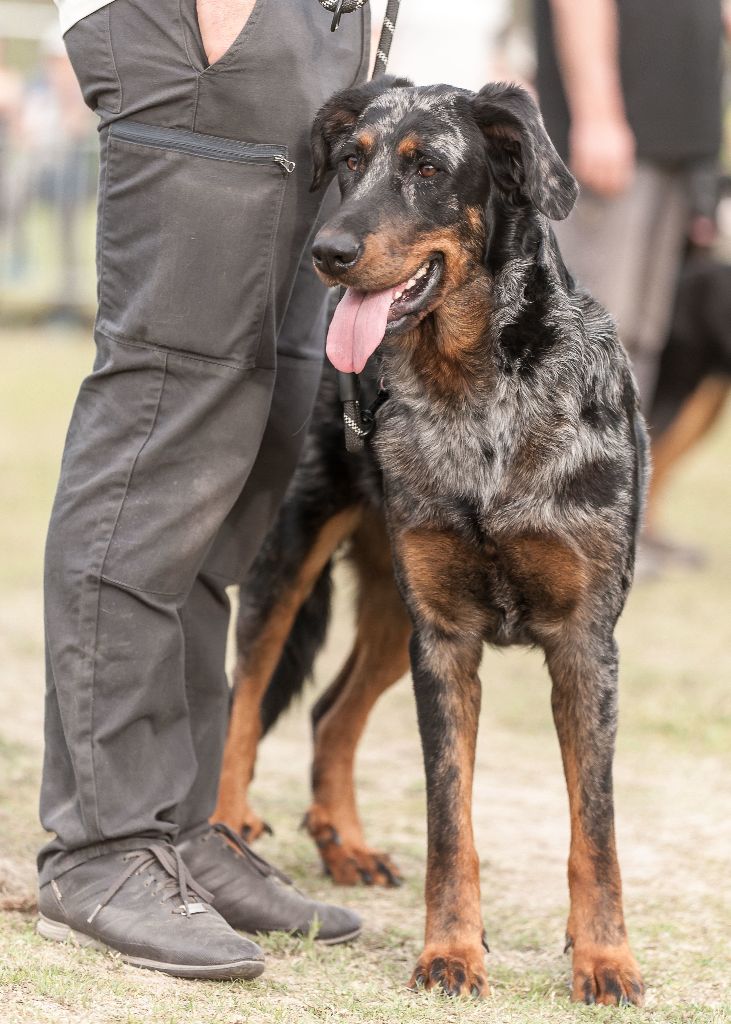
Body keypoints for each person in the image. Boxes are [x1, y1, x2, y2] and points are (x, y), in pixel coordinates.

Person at [38, 0, 369, 982]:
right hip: (210, 38)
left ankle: (174, 830)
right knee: (165, 429)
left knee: (250, 447)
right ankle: (100, 848)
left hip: (314, 49)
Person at [533, 0, 723, 411]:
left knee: (639, 340)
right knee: (585, 338)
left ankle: (619, 471)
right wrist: (597, 114)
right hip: (614, 139)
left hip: (677, 144)